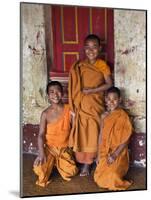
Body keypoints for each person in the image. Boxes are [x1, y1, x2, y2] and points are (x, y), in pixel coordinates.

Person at [68, 34, 113, 176]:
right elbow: (75, 85)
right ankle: (83, 163)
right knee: (82, 134)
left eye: (94, 47)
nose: (91, 50)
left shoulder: (102, 65)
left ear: (99, 48)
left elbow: (109, 84)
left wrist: (92, 90)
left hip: (95, 104)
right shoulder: (80, 65)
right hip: (82, 104)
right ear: (84, 48)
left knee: (93, 134)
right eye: (87, 47)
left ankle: (89, 164)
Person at [33, 81, 78, 187]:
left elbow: (75, 130)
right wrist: (41, 153)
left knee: (70, 172)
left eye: (58, 91)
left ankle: (57, 163)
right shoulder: (45, 114)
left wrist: (74, 117)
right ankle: (51, 162)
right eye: (52, 92)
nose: (55, 94)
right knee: (39, 170)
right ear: (48, 95)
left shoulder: (69, 109)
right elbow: (41, 135)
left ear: (62, 93)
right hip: (49, 148)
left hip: (64, 148)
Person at [94, 86, 133, 190]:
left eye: (114, 99)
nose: (112, 102)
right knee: (98, 178)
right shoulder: (104, 116)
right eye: (109, 99)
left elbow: (127, 138)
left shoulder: (123, 116)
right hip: (105, 151)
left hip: (119, 152)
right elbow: (101, 135)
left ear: (119, 100)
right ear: (106, 100)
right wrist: (98, 154)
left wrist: (115, 154)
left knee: (113, 176)